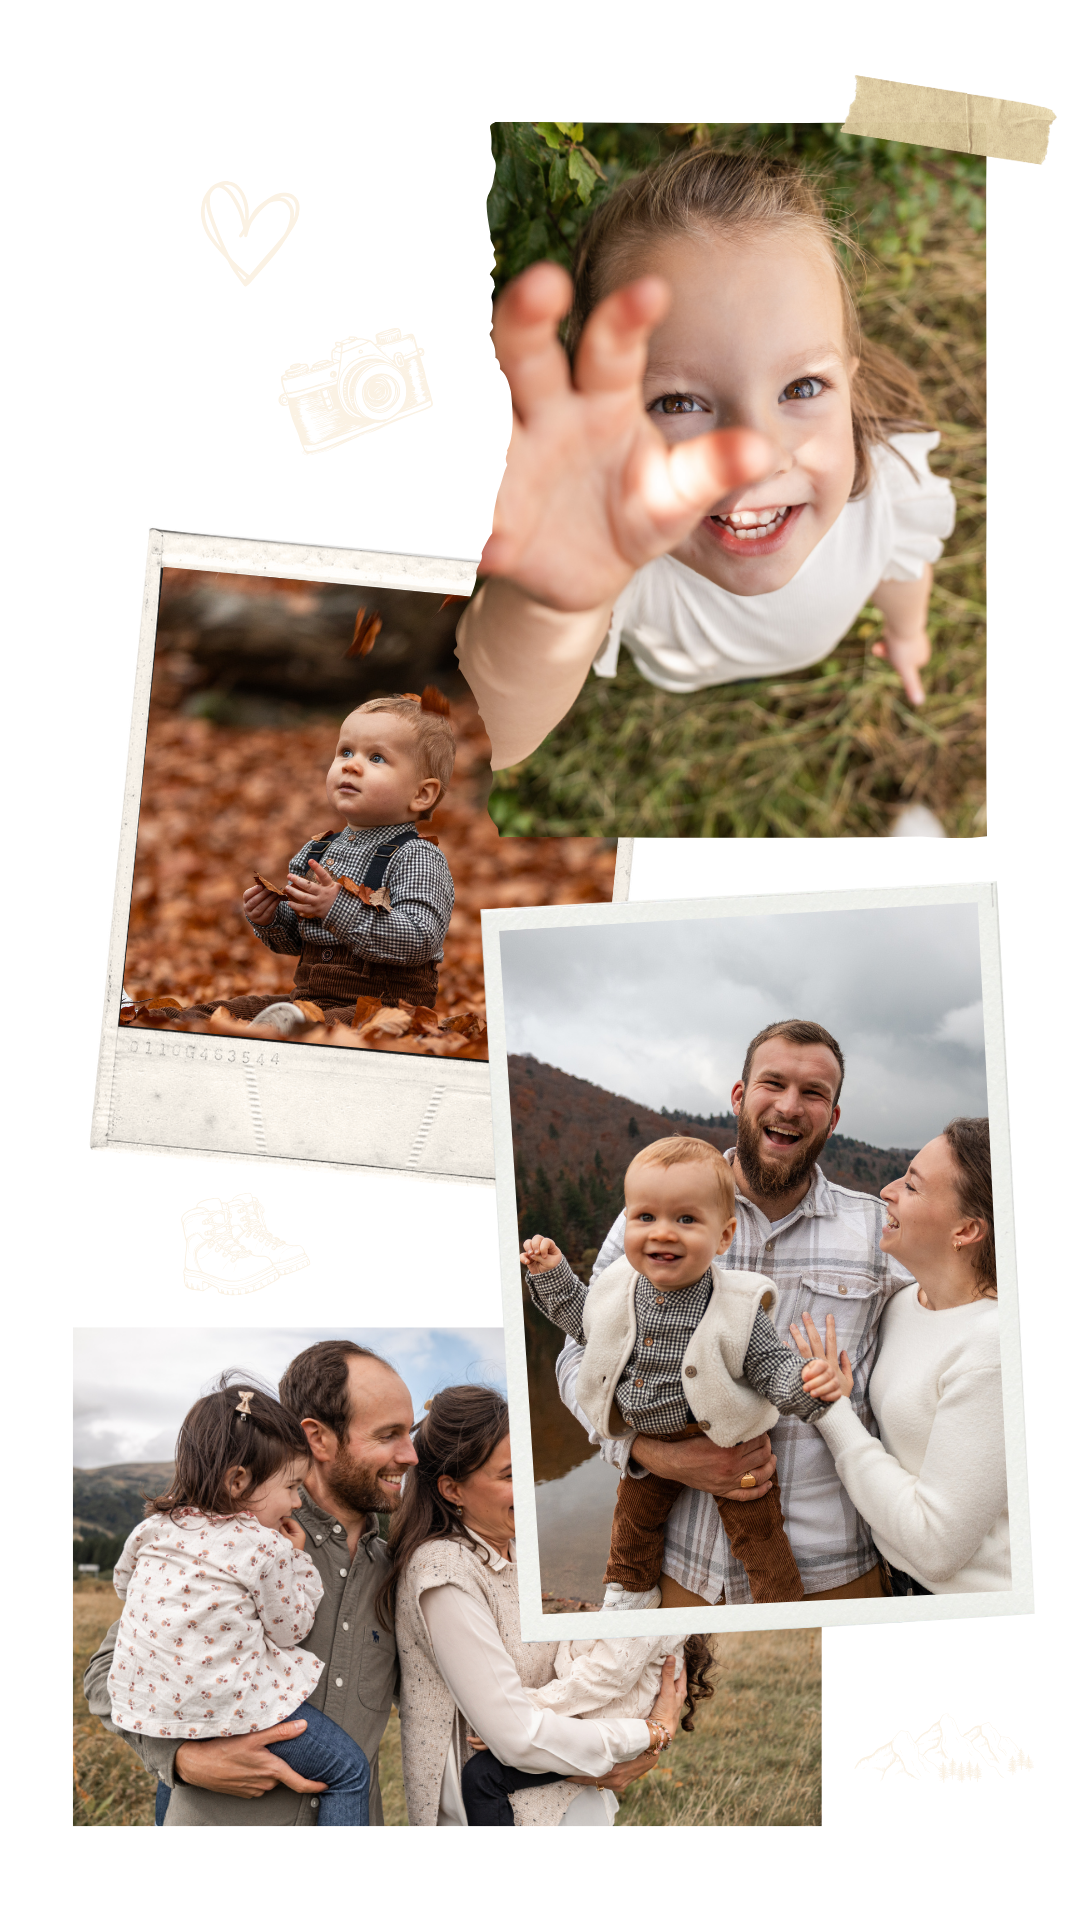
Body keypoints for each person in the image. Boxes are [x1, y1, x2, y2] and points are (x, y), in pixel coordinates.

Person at [455, 144, 955, 773]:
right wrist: (557, 603)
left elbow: (900, 569)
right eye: (678, 401)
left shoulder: (891, 487)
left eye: (802, 388)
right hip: (683, 667)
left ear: (851, 387)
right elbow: (495, 729)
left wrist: (907, 635)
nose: (755, 457)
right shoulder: (626, 554)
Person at [556, 1018, 917, 1605]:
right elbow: (580, 1355)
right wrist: (650, 1453)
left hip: (834, 1572)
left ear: (834, 1116)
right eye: (773, 1083)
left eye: (815, 1093)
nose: (791, 1106)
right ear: (740, 1096)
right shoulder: (649, 1221)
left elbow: (955, 1323)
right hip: (681, 1569)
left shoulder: (879, 1231)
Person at [83, 1340, 418, 1827]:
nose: (409, 1454)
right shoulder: (224, 1549)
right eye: (389, 1434)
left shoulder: (400, 1576)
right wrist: (179, 1758)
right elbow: (106, 1673)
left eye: (409, 1433)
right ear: (317, 1438)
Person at [523, 1136, 831, 1607]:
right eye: (646, 1217)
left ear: (723, 1236)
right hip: (646, 1448)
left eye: (686, 1219)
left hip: (730, 1442)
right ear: (626, 1222)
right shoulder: (617, 1290)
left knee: (760, 1534)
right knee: (632, 1528)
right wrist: (552, 1272)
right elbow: (585, 1326)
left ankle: (781, 1605)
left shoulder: (736, 1304)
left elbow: (774, 1368)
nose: (663, 1232)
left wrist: (811, 1386)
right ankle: (629, 1599)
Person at [384, 1386, 686, 1827]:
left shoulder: (517, 1551)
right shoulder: (443, 1568)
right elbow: (514, 1737)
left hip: (565, 1798)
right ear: (452, 1490)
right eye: (509, 1476)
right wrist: (650, 1732)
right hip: (503, 1811)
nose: (528, 1488)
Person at [793, 1117, 1009, 1594]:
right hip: (893, 1581)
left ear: (967, 1229)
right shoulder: (900, 1304)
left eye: (911, 1186)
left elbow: (936, 1549)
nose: (887, 1192)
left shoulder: (993, 1347)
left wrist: (833, 1412)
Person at [182, 690, 456, 1027]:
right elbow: (297, 941)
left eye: (377, 758)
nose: (351, 765)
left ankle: (290, 1031)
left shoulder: (417, 857)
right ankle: (143, 1016)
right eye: (345, 752)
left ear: (421, 794)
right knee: (221, 1013)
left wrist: (336, 908)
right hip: (310, 999)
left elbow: (420, 939)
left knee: (321, 1028)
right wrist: (271, 920)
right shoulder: (317, 852)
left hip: (386, 1007)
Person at [461, 1627, 714, 1827]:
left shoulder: (641, 1608)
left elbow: (600, 1680)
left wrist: (516, 1711)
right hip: (602, 1728)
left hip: (603, 1731)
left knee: (482, 1776)